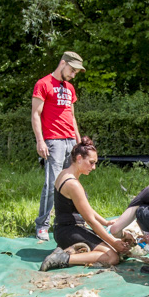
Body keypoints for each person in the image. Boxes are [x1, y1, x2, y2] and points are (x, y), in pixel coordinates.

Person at [39, 138, 128, 271]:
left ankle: (71, 251)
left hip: (65, 229)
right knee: (112, 257)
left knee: (112, 249)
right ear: (79, 158)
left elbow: (86, 208)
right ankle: (62, 258)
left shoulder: (65, 173)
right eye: (91, 163)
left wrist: (105, 222)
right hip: (69, 232)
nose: (94, 167)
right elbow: (90, 220)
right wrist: (113, 242)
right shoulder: (73, 184)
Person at [32, 51, 85, 241]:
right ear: (62, 63)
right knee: (51, 184)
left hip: (71, 140)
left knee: (71, 183)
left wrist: (78, 141)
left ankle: (69, 222)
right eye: (72, 70)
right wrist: (40, 141)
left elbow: (71, 116)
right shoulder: (43, 84)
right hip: (53, 141)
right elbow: (36, 114)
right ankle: (42, 225)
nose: (73, 75)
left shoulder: (70, 88)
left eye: (76, 72)